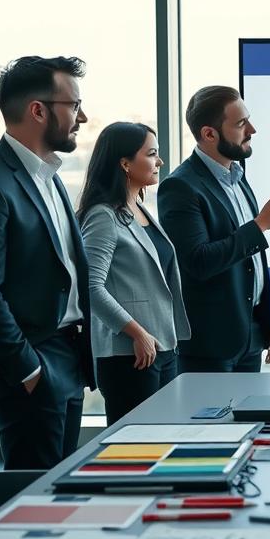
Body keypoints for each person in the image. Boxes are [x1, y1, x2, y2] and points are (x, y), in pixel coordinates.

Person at [0, 56, 94, 470]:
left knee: (60, 485)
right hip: (34, 360)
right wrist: (28, 370)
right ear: (38, 110)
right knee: (35, 496)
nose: (82, 117)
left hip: (65, 353)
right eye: (74, 105)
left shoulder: (47, 175)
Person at [159, 85, 270, 373]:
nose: (252, 129)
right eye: (240, 123)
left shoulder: (237, 177)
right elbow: (198, 261)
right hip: (210, 346)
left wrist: (265, 322)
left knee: (247, 420)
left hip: (249, 336)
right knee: (211, 420)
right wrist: (260, 225)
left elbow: (250, 262)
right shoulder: (180, 187)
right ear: (209, 134)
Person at [78, 122, 191, 424]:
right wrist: (136, 332)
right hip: (130, 354)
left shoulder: (140, 209)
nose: (160, 162)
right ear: (125, 164)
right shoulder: (103, 215)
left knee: (165, 440)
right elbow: (90, 286)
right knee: (134, 448)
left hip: (163, 346)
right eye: (152, 154)